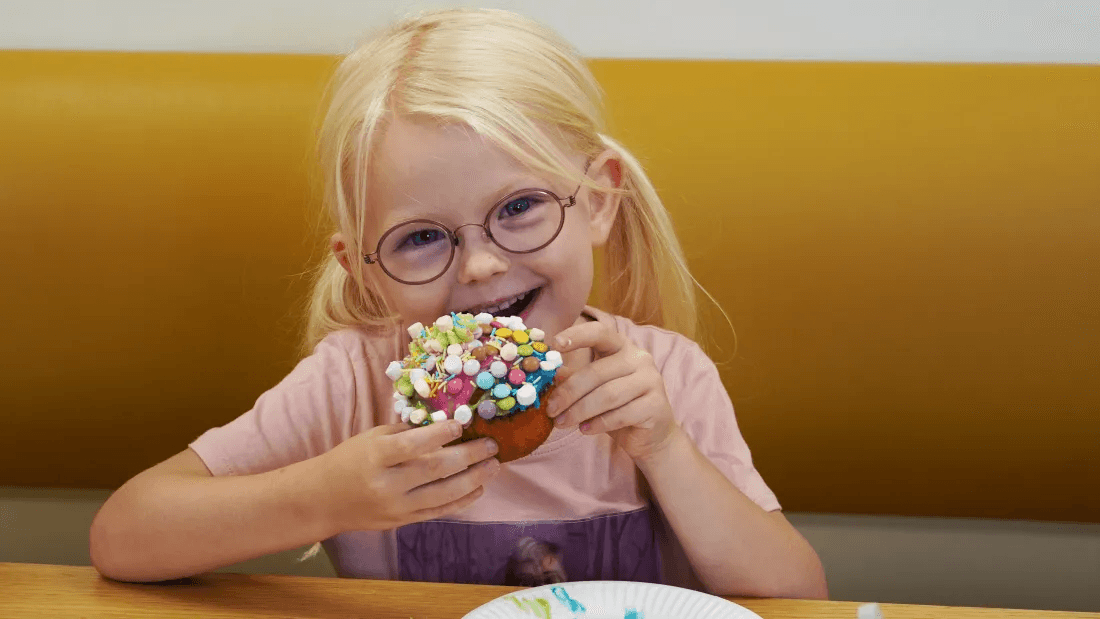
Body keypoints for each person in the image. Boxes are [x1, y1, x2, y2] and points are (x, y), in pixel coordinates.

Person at [89, 7, 827, 598]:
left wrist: (666, 450)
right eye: (419, 238)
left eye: (521, 206)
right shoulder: (354, 382)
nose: (478, 264)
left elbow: (799, 595)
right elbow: (123, 535)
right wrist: (323, 496)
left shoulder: (662, 378)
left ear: (598, 198)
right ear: (365, 269)